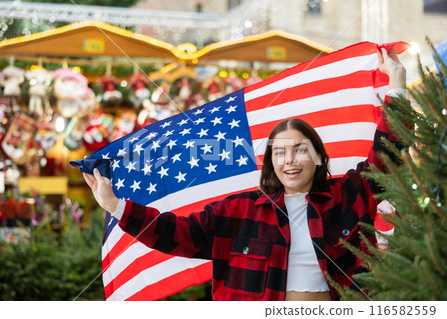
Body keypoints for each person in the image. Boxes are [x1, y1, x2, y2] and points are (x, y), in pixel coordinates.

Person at [83, 48, 407, 301]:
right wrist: (116, 206)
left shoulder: (347, 195)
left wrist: (397, 86)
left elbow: (387, 158)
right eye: (279, 152)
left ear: (320, 158)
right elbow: (175, 233)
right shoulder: (236, 212)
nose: (289, 160)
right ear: (271, 163)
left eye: (301, 150)